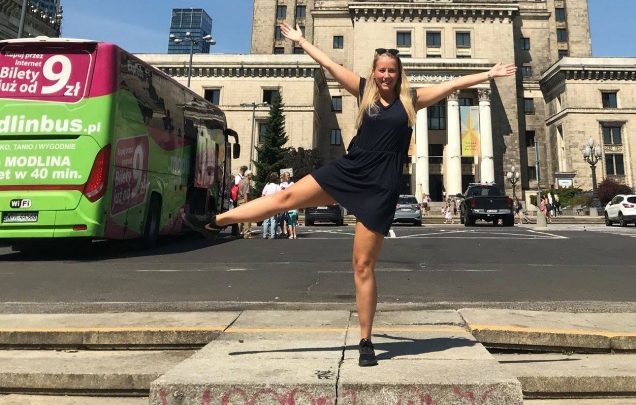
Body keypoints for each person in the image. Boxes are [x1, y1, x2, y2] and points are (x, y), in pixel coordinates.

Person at [184, 23, 516, 368]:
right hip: (349, 170)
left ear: (398, 74)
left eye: (391, 71)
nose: (386, 75)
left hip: (380, 188)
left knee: (362, 265)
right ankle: (216, 221)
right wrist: (300, 41)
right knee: (285, 198)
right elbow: (328, 64)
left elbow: (452, 85)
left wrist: (487, 74)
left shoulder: (411, 100)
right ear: (374, 73)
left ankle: (366, 340)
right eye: (381, 70)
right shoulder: (363, 91)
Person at [260, 172, 281, 238]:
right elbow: (280, 195)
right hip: (273, 203)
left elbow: (263, 195)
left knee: (266, 220)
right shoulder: (277, 186)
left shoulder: (267, 185)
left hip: (266, 203)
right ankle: (272, 234)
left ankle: (265, 234)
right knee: (273, 220)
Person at [239, 171, 255, 237]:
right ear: (248, 175)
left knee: (240, 218)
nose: (252, 176)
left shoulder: (242, 181)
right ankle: (247, 234)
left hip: (239, 200)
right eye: (251, 175)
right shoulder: (247, 182)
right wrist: (246, 203)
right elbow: (246, 193)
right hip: (244, 200)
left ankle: (239, 232)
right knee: (247, 218)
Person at [279, 171, 294, 238]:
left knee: (290, 217)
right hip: (284, 202)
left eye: (289, 175)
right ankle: (284, 231)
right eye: (287, 175)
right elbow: (281, 192)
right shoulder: (282, 184)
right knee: (284, 217)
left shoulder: (292, 183)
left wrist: (286, 189)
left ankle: (291, 232)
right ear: (284, 177)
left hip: (291, 202)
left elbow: (294, 191)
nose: (288, 176)